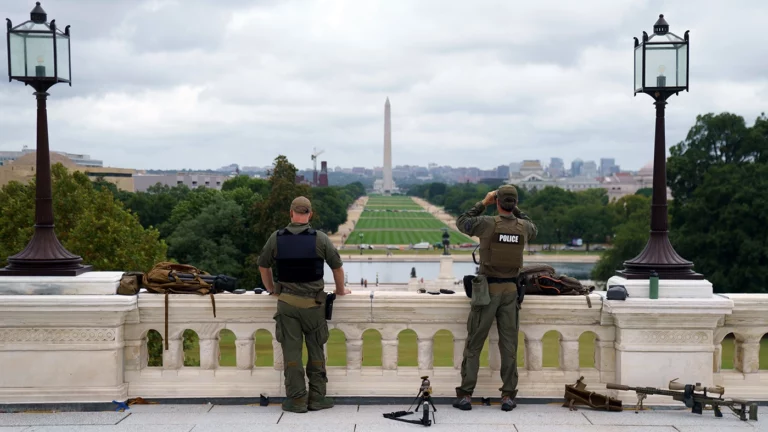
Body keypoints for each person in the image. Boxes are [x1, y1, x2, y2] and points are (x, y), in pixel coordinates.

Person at [258, 196, 351, 414]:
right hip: (314, 306)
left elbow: (263, 266)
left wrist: (272, 288)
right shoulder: (320, 238)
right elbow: (337, 268)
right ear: (310, 214)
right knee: (316, 352)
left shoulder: (277, 238)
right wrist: (340, 291)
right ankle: (317, 398)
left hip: (287, 306)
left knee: (292, 354)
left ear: (291, 214)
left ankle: (297, 400)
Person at [452, 185, 537, 412]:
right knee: (509, 346)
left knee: (474, 344)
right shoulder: (524, 227)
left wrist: (484, 202)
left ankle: (466, 395)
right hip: (510, 291)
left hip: (487, 290)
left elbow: (462, 221)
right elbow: (534, 227)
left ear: (497, 201)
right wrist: (514, 209)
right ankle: (508, 396)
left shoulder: (488, 223)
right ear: (515, 203)